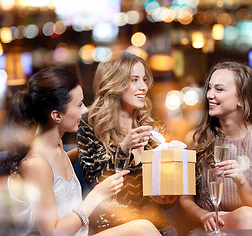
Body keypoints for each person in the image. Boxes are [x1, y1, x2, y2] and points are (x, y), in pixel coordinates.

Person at [5, 67, 161, 236]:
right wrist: (96, 196)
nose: (85, 111)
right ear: (57, 116)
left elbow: (86, 154)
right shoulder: (36, 164)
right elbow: (52, 233)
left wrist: (122, 145)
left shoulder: (57, 148)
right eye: (79, 105)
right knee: (143, 229)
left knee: (144, 226)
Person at [77, 52, 177, 233]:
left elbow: (165, 200)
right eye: (134, 80)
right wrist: (124, 150)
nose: (143, 87)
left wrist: (167, 196)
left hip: (152, 226)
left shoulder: (155, 130)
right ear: (114, 83)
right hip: (110, 227)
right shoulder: (90, 126)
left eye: (144, 80)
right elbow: (96, 182)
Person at [179, 61, 252, 232]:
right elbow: (185, 200)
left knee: (248, 215)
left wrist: (241, 181)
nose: (210, 94)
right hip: (209, 227)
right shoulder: (197, 140)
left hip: (250, 228)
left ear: (242, 98)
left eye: (219, 89)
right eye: (209, 88)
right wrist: (203, 215)